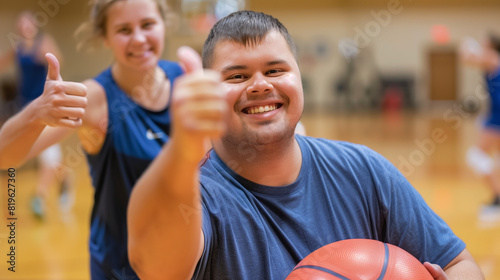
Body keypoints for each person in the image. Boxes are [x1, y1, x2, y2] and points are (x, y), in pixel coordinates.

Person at [127, 11, 484, 280]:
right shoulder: (201, 197)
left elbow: (460, 264)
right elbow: (157, 267)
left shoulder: (364, 170)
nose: (259, 85)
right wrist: (182, 150)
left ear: (300, 79)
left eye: (275, 70)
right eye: (236, 75)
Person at [0, 0, 183, 278]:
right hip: (119, 267)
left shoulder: (185, 79)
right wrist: (36, 112)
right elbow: (5, 156)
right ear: (105, 36)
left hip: (183, 260)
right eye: (124, 29)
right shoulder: (94, 98)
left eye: (147, 24)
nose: (138, 38)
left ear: (162, 24)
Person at [0, 10, 73, 219]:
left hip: (45, 105)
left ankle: (39, 198)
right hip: (25, 107)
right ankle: (64, 176)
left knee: (47, 151)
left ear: (34, 26)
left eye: (27, 24)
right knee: (35, 150)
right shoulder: (18, 48)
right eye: (21, 25)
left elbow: (59, 62)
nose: (24, 28)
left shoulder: (44, 42)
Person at [461, 34, 500, 222]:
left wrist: (466, 42)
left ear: (491, 46)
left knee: (476, 156)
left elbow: (467, 57)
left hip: (497, 118)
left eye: (485, 43)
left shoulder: (493, 57)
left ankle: (498, 198)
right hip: (494, 115)